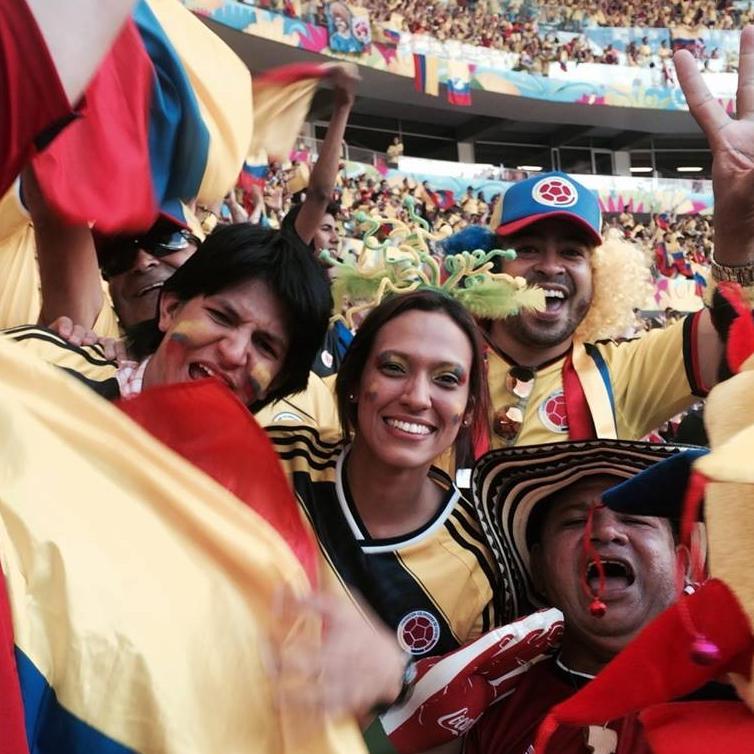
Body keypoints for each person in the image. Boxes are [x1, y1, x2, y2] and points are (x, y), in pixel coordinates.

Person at [378, 440, 716, 754]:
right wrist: (386, 740)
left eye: (633, 518)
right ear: (538, 571)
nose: (605, 531)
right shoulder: (491, 710)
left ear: (683, 564)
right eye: (575, 521)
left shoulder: (735, 687)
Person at [266, 290, 500, 672]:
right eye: (394, 368)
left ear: (469, 409)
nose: (417, 397)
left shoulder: (478, 565)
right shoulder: (278, 461)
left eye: (446, 379)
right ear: (355, 380)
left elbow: (438, 721)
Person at [5, 223, 331, 409]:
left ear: (278, 380)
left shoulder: (245, 507)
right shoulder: (36, 366)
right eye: (221, 317)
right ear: (170, 309)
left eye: (265, 346)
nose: (233, 352)